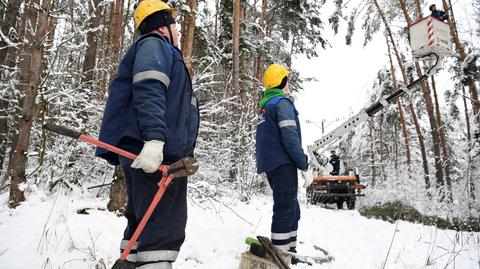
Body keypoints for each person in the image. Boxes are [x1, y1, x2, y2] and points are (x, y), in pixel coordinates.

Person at [95, 1, 200, 268]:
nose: (178, 30)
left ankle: (129, 263)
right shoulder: (155, 46)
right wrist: (154, 140)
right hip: (154, 154)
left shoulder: (158, 50)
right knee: (163, 230)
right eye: (174, 24)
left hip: (155, 153)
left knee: (142, 224)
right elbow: (149, 88)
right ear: (163, 25)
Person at [255, 64, 312, 263]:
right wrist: (304, 164)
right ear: (282, 82)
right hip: (283, 164)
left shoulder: (265, 106)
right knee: (285, 209)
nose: (289, 84)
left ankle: (290, 254)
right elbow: (290, 137)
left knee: (292, 208)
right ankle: (280, 259)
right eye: (287, 80)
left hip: (272, 165)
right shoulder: (282, 103)